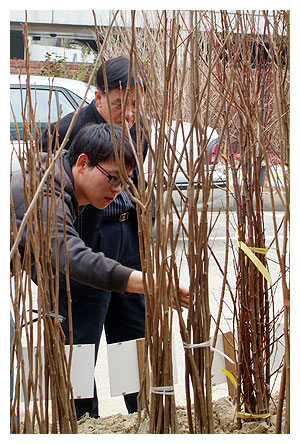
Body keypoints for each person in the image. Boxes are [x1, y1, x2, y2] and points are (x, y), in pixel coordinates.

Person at [41, 56, 148, 419]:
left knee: (132, 327)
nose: (129, 112)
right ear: (99, 97)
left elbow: (137, 188)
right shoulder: (67, 130)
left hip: (124, 235)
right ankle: (85, 418)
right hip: (85, 238)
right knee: (82, 332)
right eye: (121, 103)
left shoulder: (138, 129)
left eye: (136, 103)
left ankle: (140, 410)